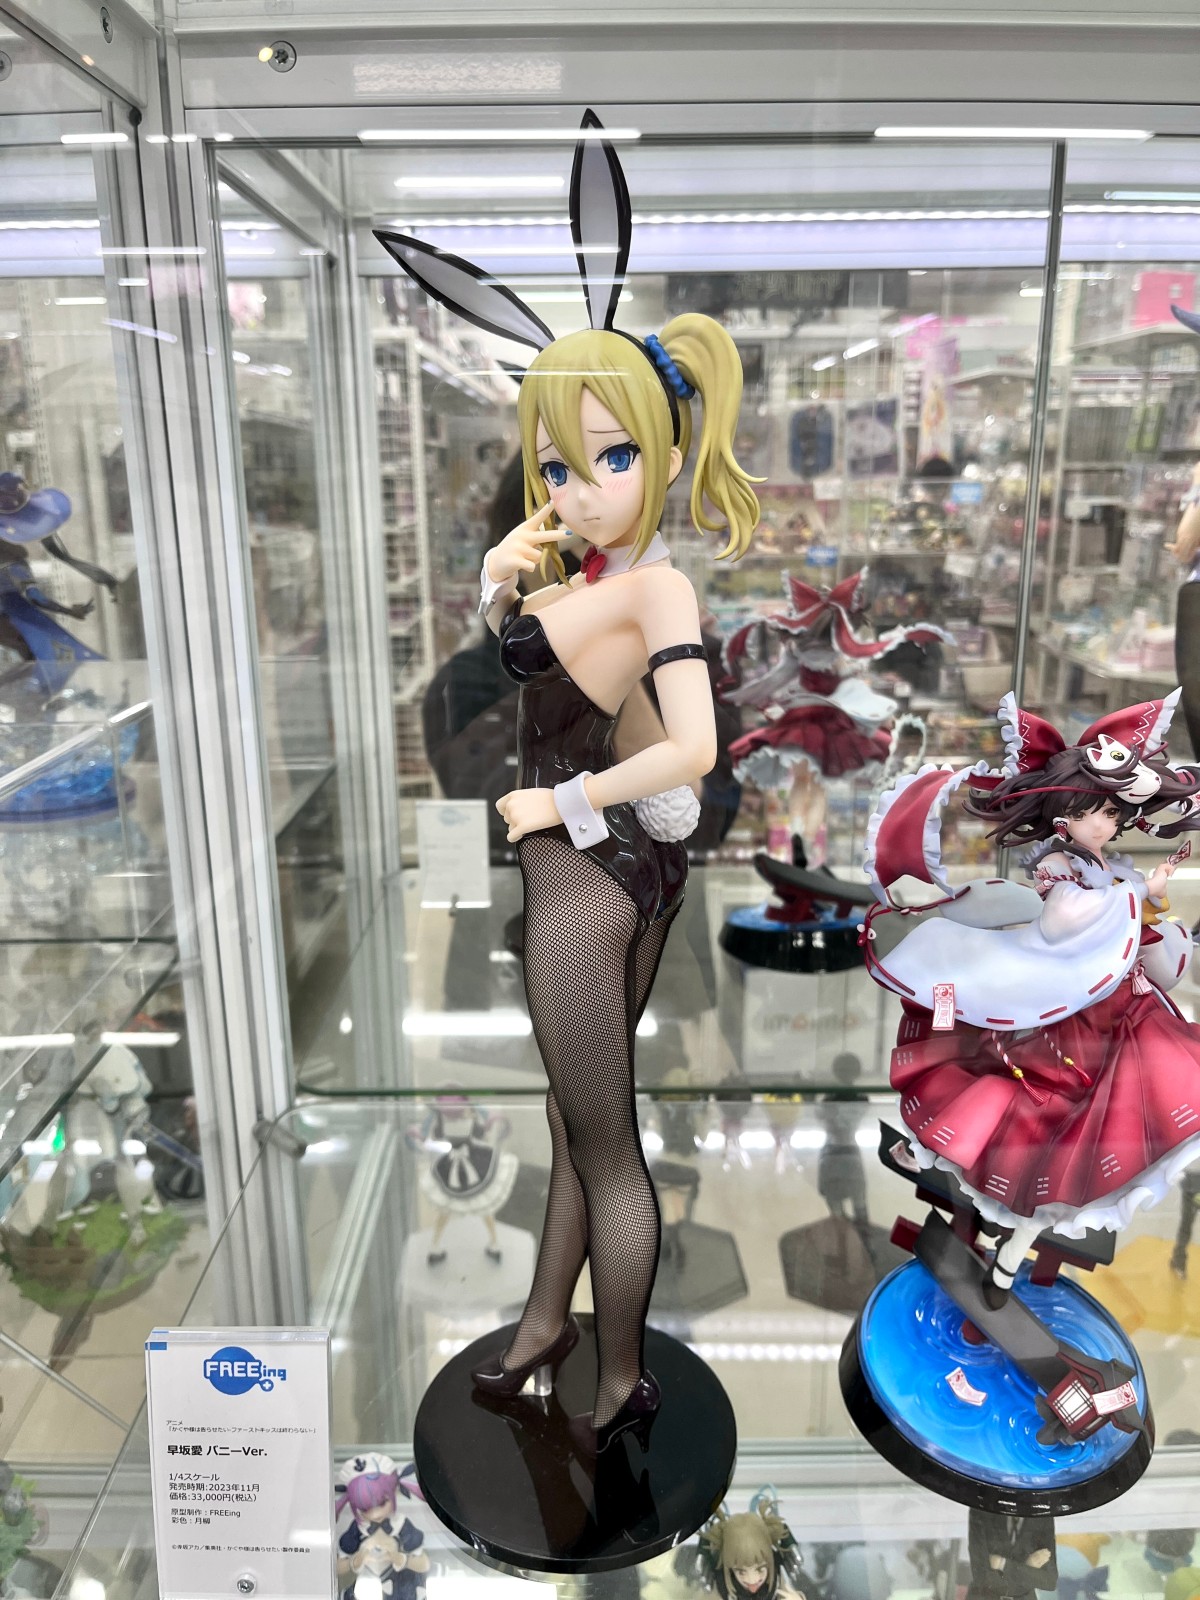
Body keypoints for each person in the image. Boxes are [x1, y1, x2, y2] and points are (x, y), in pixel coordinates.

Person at [376, 111, 759, 1454]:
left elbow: (694, 749)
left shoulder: (656, 584)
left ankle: (621, 1378)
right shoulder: (593, 573)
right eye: (558, 464)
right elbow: (551, 676)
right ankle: (546, 1327)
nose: (586, 489)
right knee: (573, 1118)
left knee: (604, 1144)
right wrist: (500, 580)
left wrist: (563, 806)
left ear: (665, 454)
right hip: (596, 874)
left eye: (613, 458)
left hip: (588, 882)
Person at [861, 688, 1200, 1307]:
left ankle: (1006, 1250)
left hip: (1111, 1010)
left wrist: (1145, 893)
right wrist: (1130, 897)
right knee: (1024, 1109)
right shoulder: (1061, 869)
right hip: (1067, 1013)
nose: (1109, 824)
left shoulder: (1103, 868)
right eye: (1099, 813)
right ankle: (944, 1166)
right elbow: (1064, 924)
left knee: (1099, 1123)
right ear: (1065, 814)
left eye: (1114, 815)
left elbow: (1122, 925)